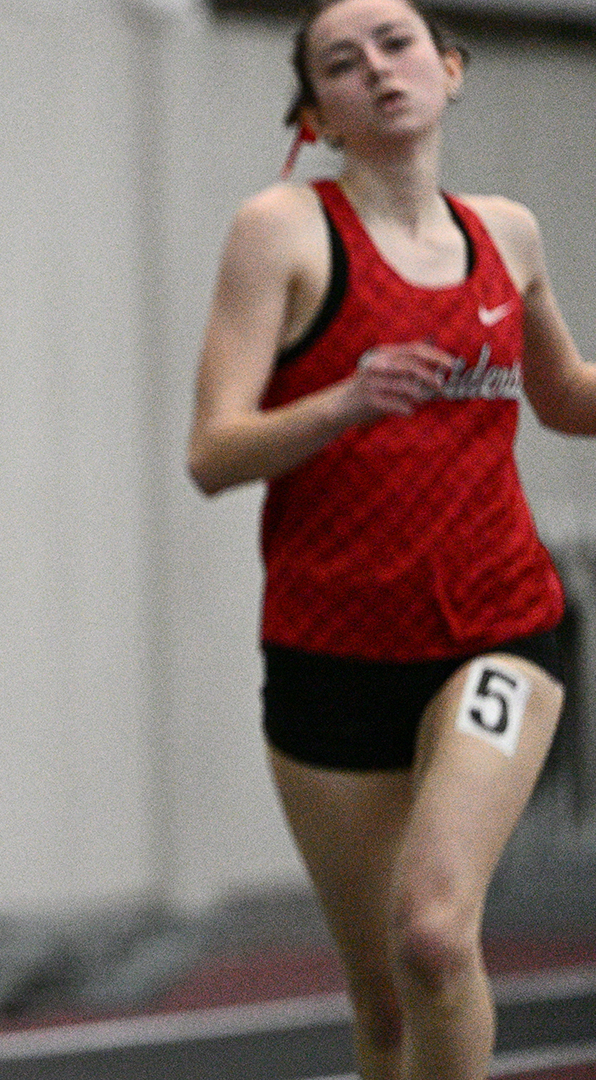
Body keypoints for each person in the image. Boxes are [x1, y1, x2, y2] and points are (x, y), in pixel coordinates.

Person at [187, 1, 596, 1076]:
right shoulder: (281, 230)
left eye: (398, 42)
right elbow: (213, 453)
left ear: (451, 69)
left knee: (434, 931)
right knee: (383, 1003)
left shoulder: (506, 232)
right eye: (342, 60)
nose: (377, 66)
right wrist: (343, 403)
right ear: (320, 113)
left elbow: (565, 398)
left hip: (499, 628)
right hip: (331, 655)